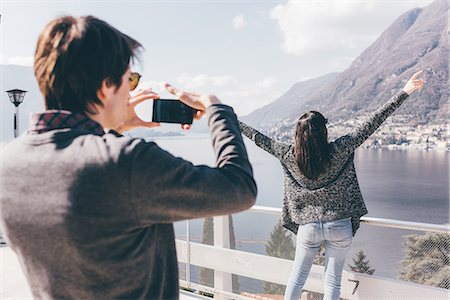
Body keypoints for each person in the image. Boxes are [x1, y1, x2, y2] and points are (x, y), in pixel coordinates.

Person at [0, 15, 257, 299]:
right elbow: (239, 188)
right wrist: (217, 109)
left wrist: (112, 128)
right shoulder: (126, 162)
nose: (130, 91)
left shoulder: (8, 163)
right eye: (129, 80)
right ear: (106, 86)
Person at [238, 71, 424, 300]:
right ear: (323, 132)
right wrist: (405, 91)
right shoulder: (340, 150)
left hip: (307, 227)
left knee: (297, 277)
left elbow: (258, 138)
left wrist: (227, 118)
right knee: (333, 282)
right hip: (339, 225)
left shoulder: (288, 155)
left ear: (298, 135)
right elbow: (374, 121)